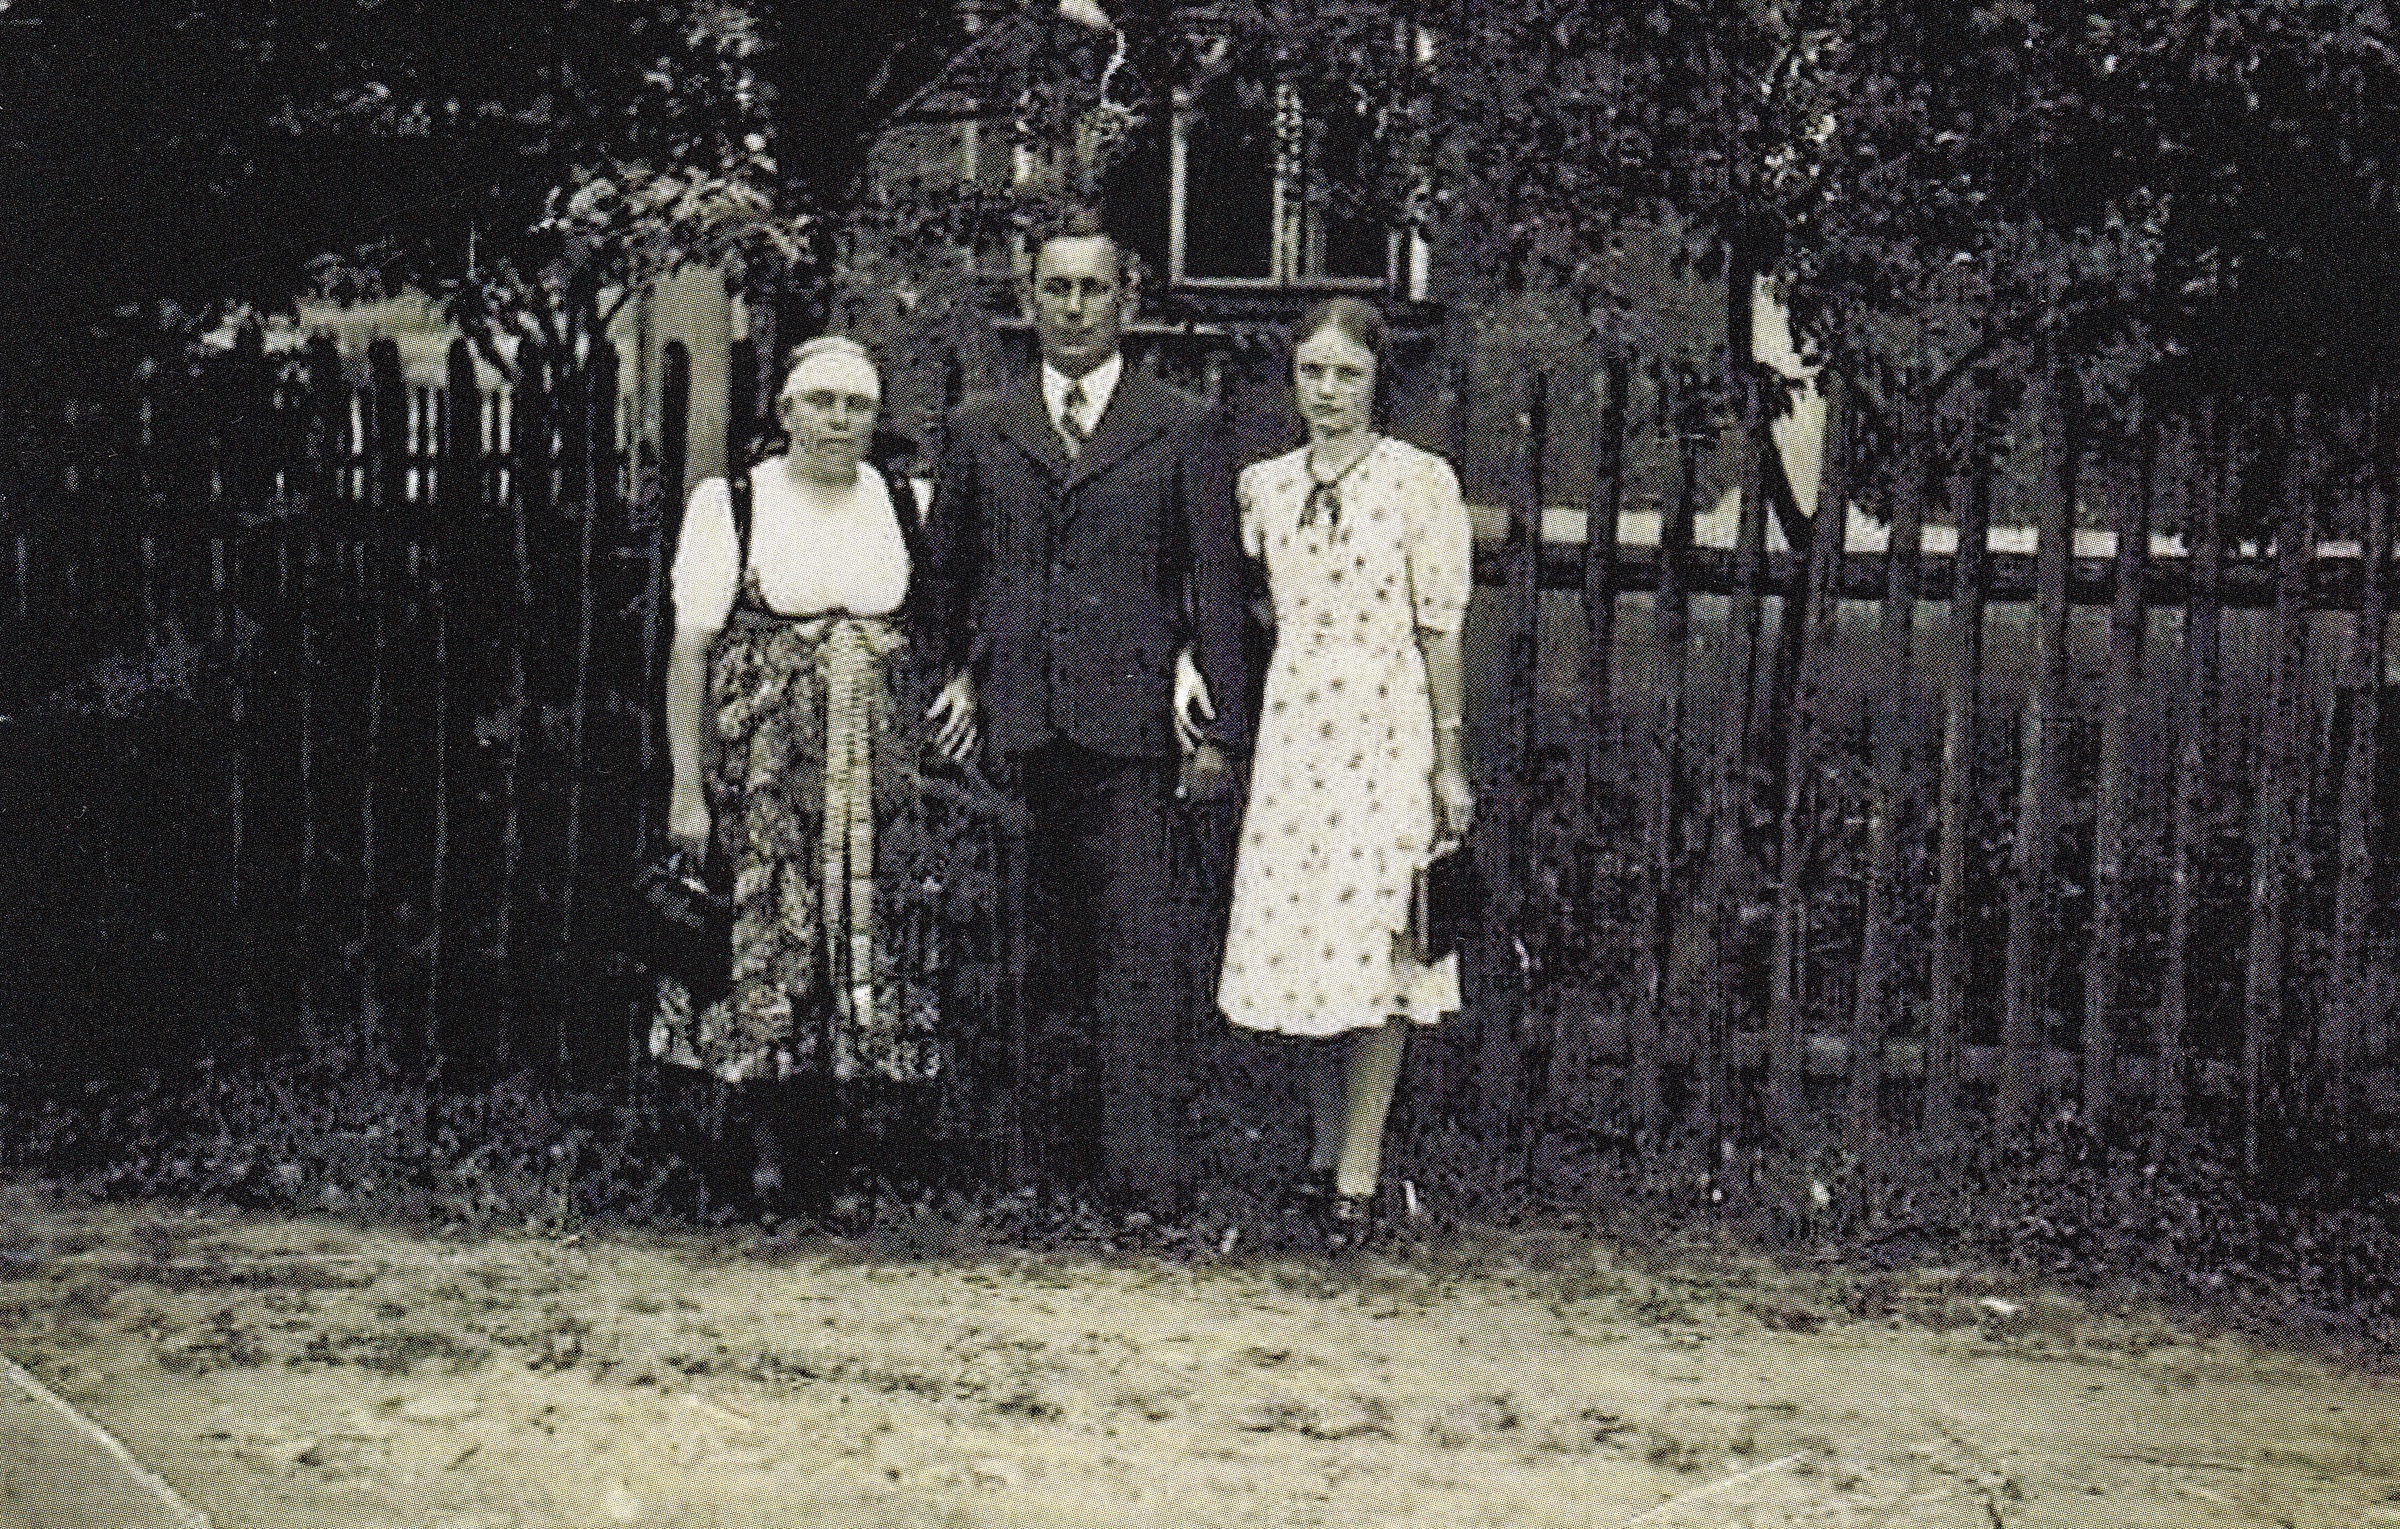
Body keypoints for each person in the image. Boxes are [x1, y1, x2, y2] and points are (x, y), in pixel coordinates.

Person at [916, 204, 1251, 1220]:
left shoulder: (1182, 424)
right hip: (1016, 729)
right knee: (1022, 959)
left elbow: (1216, 586)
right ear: (1028, 300)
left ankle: (1142, 1180)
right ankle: (1024, 1172)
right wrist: (952, 681)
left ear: (1127, 301)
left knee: (1138, 959)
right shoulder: (982, 427)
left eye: (1092, 288)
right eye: (1055, 288)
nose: (1073, 307)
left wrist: (1222, 732)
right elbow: (944, 583)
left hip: (1135, 737)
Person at [650, 334, 939, 1209]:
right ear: (784, 412)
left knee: (864, 944)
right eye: (820, 402)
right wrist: (687, 788)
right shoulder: (734, 504)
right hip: (764, 778)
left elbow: (949, 627)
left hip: (876, 782)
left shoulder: (905, 502)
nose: (838, 420)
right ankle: (763, 1150)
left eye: (857, 405)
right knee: (771, 946)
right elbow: (690, 653)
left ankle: (846, 1153)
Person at [1215, 296, 1475, 1243]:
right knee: (1310, 945)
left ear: (1378, 381)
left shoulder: (1419, 482)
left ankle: (1359, 1174)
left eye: (1348, 375)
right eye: (1313, 373)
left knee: (1377, 946)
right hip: (1297, 740)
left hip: (1385, 731)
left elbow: (1440, 631)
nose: (1328, 392)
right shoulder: (1263, 488)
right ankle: (1322, 1155)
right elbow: (1241, 611)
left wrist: (1448, 764)